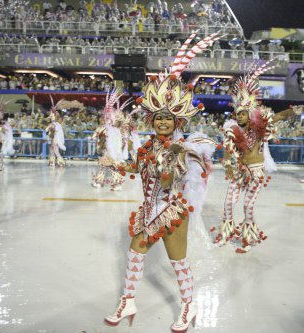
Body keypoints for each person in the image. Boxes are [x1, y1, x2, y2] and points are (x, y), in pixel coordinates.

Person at [104, 31, 220, 332]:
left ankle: (189, 304)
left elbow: (169, 180)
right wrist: (114, 162)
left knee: (177, 262)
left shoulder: (180, 148)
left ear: (177, 122)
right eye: (158, 118)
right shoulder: (148, 146)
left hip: (171, 210)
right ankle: (128, 299)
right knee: (135, 252)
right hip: (149, 208)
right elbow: (135, 167)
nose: (163, 122)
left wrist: (170, 161)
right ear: (152, 120)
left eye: (169, 118)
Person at [212, 61, 303, 253]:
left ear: (250, 113)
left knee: (248, 207)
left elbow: (278, 116)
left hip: (255, 172)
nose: (239, 117)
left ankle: (248, 240)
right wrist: (228, 164)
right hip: (239, 172)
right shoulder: (232, 130)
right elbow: (228, 149)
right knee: (228, 203)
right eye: (237, 113)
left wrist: (292, 111)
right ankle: (226, 235)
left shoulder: (260, 128)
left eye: (243, 114)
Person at [45, 95, 66, 167]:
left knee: (54, 147)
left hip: (56, 130)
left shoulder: (57, 115)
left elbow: (57, 120)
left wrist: (54, 115)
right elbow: (48, 119)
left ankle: (60, 160)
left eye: (53, 109)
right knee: (51, 147)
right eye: (52, 109)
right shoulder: (52, 115)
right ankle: (52, 160)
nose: (52, 110)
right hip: (52, 129)